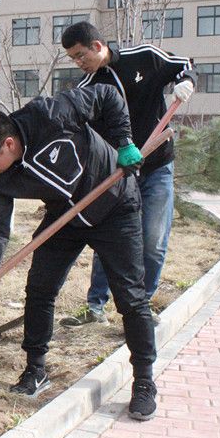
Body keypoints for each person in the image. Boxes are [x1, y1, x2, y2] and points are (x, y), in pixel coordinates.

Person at [0, 84, 158, 421]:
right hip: (64, 217)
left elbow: (107, 95)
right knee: (40, 289)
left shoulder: (50, 115)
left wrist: (124, 143)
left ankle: (144, 381)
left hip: (115, 204)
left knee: (130, 297)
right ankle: (36, 369)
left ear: (7, 144)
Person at [59, 21, 196, 327]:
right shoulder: (87, 88)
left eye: (80, 55)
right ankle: (95, 307)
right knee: (111, 239)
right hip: (119, 175)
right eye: (73, 59)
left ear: (97, 46)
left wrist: (186, 81)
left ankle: (140, 309)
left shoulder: (143, 57)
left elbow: (183, 65)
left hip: (157, 166)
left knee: (153, 240)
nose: (78, 63)